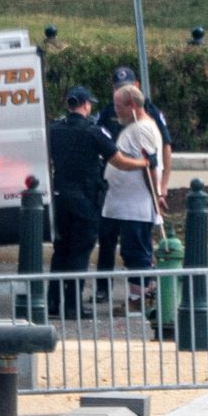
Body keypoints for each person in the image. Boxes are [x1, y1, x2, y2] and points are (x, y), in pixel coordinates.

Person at [47, 85, 152, 320]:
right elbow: (119, 161)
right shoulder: (94, 132)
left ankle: (53, 301)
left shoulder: (54, 130)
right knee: (80, 251)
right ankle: (73, 305)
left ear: (69, 104)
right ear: (85, 105)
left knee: (61, 250)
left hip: (59, 197)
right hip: (84, 199)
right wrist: (144, 164)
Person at [94, 66, 173, 302]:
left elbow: (151, 165)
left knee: (136, 251)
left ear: (132, 103)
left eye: (120, 106)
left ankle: (140, 298)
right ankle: (115, 291)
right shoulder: (123, 121)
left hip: (134, 205)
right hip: (118, 202)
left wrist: (158, 195)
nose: (115, 111)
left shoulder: (146, 126)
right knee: (116, 246)